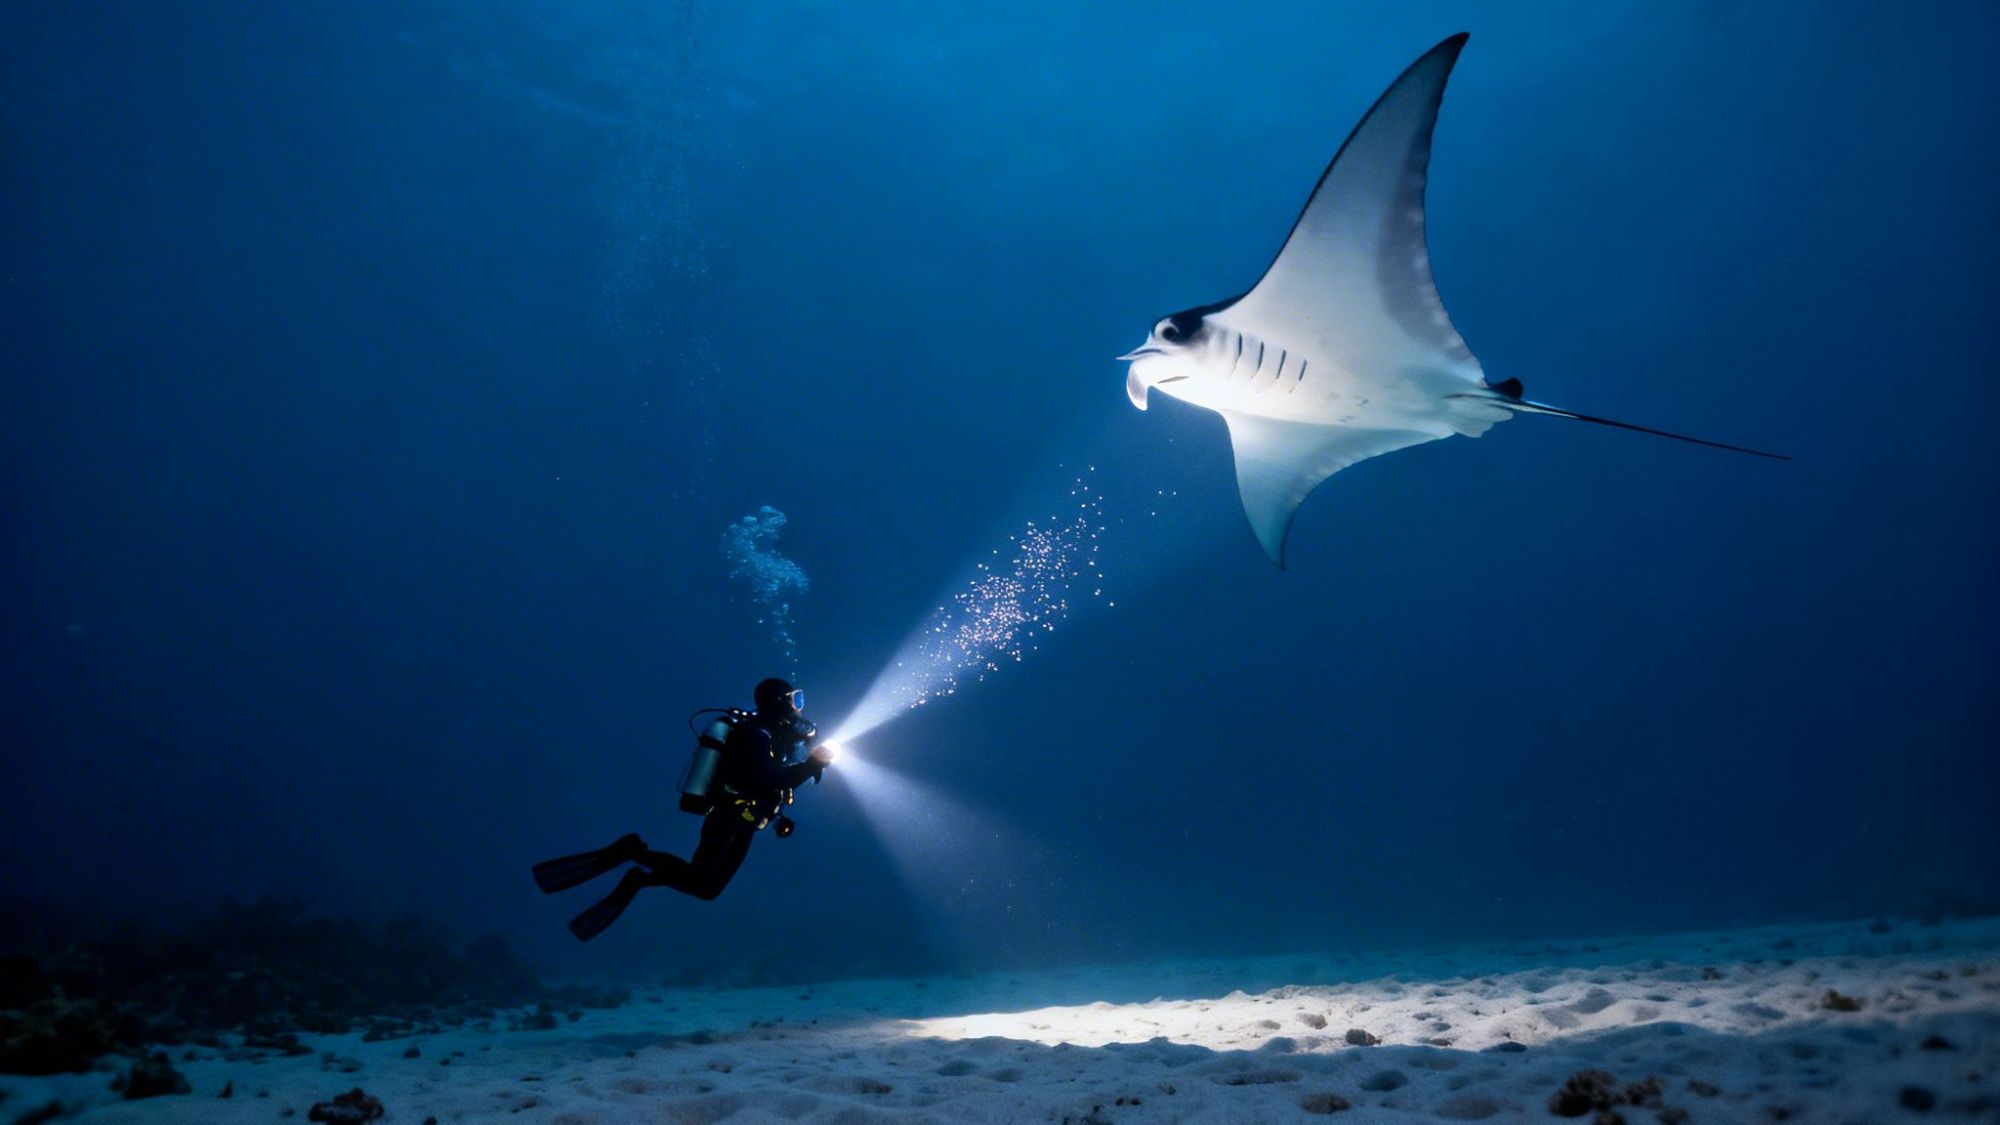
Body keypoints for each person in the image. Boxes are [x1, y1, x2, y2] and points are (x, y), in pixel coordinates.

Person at [532, 677, 835, 942]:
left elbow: (775, 782)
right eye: (795, 700)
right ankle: (633, 852)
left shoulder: (775, 736)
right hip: (728, 815)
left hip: (747, 822)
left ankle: (640, 875)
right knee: (698, 878)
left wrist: (802, 775)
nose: (799, 707)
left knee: (707, 890)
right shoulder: (755, 736)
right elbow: (769, 778)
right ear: (778, 703)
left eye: (800, 699)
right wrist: (811, 765)